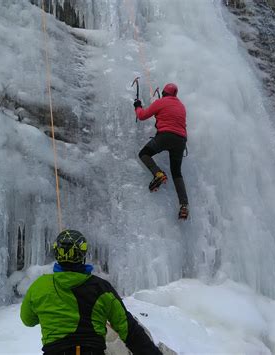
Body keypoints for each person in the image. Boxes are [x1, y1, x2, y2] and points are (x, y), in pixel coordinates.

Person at [20, 229, 162, 355]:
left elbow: (28, 320)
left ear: (57, 254)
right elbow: (129, 330)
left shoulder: (39, 286)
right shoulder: (101, 288)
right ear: (83, 254)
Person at [134, 83, 189, 220]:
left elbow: (142, 115)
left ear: (164, 93)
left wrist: (137, 106)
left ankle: (158, 174)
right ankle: (184, 205)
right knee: (176, 172)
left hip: (165, 136)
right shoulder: (181, 106)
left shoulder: (161, 102)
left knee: (144, 154)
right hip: (181, 140)